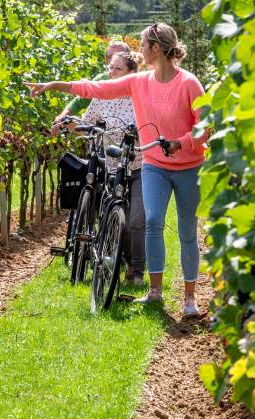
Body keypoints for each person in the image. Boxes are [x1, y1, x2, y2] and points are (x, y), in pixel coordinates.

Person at [28, 23, 207, 317]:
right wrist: (55, 85)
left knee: (187, 231)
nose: (139, 50)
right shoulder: (140, 82)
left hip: (189, 166)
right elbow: (95, 88)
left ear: (157, 49)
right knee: (151, 222)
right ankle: (155, 292)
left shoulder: (189, 84)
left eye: (142, 45)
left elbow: (205, 127)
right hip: (155, 165)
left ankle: (189, 298)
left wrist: (181, 142)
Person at [53, 51, 149, 285]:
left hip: (140, 165)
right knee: (115, 215)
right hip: (112, 167)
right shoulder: (102, 96)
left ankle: (137, 271)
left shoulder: (141, 97)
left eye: (117, 69)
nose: (111, 73)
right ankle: (118, 259)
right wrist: (67, 124)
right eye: (111, 68)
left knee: (136, 219)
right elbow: (87, 125)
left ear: (131, 74)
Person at [52, 41, 132, 126]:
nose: (114, 59)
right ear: (106, 60)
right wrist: (62, 117)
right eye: (110, 57)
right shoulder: (101, 80)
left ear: (130, 59)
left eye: (119, 55)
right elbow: (79, 102)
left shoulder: (139, 82)